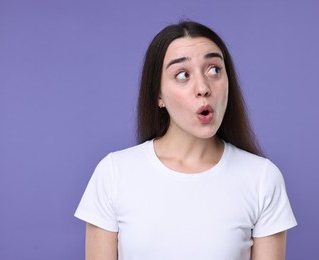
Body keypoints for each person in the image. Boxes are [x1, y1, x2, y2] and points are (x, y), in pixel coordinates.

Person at [75, 20, 297, 260]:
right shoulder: (114, 174)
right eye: (182, 74)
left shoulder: (262, 178)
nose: (203, 88)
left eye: (214, 70)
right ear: (158, 95)